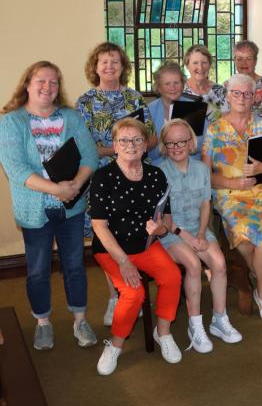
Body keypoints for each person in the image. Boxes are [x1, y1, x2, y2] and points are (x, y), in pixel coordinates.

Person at [0, 61, 98, 351]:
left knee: (75, 266)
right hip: (34, 208)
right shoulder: (11, 121)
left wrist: (74, 187)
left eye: (54, 82)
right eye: (40, 81)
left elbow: (90, 157)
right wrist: (56, 189)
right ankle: (43, 322)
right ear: (27, 84)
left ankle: (80, 320)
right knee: (38, 270)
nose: (47, 87)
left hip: (71, 205)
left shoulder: (71, 117)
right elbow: (16, 169)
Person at [202, 74, 262, 322]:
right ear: (228, 95)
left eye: (247, 93)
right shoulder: (214, 129)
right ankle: (261, 272)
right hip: (230, 195)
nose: (242, 98)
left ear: (254, 97)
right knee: (245, 239)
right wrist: (233, 182)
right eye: (236, 93)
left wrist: (260, 169)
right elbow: (204, 176)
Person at [91, 118, 182, 375]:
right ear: (115, 146)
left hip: (146, 245)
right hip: (112, 249)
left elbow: (166, 220)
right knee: (133, 293)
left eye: (137, 140)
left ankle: (162, 332)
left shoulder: (156, 175)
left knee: (172, 277)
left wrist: (160, 229)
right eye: (124, 140)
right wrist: (124, 261)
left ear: (145, 147)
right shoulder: (103, 177)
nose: (131, 145)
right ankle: (115, 344)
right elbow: (99, 227)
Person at [76, 41, 156, 326]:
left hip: (136, 177)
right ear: (95, 67)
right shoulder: (85, 102)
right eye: (104, 62)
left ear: (123, 67)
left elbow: (151, 138)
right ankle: (116, 296)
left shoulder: (134, 98)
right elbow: (84, 148)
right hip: (102, 178)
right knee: (109, 239)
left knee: (134, 236)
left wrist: (132, 149)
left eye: (115, 62)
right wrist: (120, 150)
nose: (110, 67)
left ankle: (136, 293)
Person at [158, 119, 243, 351]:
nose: (177, 147)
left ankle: (219, 318)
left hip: (199, 229)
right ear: (164, 145)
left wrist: (202, 233)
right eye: (171, 143)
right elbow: (163, 217)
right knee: (193, 265)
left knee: (219, 263)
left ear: (191, 142)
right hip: (171, 233)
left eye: (182, 141)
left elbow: (206, 204)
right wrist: (187, 237)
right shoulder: (159, 173)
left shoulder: (201, 169)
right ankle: (195, 325)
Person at [147, 61, 208, 165]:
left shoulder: (196, 107)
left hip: (191, 166)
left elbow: (205, 143)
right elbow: (147, 151)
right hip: (160, 168)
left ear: (183, 84)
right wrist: (166, 145)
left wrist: (180, 147)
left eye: (176, 83)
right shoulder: (149, 111)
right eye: (167, 84)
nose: (172, 88)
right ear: (158, 87)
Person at [183, 44, 227, 122]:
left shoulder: (220, 91)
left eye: (204, 62)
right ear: (187, 65)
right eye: (195, 63)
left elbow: (227, 120)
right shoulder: (179, 90)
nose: (200, 67)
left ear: (210, 65)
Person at [232, 40, 262, 114]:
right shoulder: (227, 86)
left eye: (248, 59)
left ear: (255, 61)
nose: (244, 63)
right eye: (240, 59)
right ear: (234, 61)